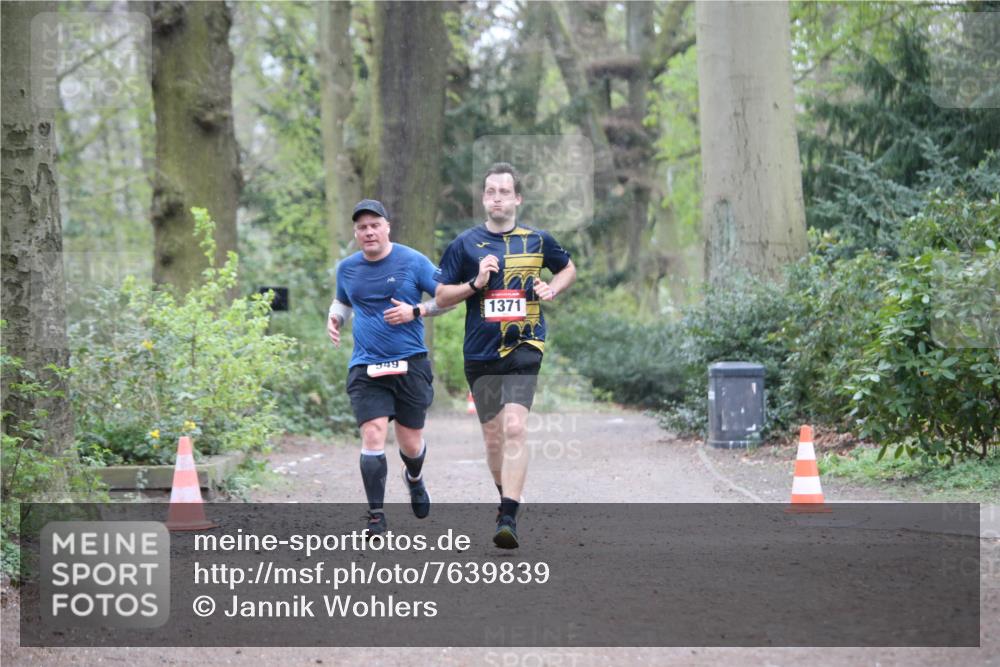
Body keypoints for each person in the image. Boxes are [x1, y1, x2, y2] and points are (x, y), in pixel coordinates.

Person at [435, 162, 577, 548]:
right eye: (490, 191)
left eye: (504, 191)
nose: (497, 197)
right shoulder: (464, 244)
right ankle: (505, 497)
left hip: (525, 343)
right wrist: (475, 282)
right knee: (493, 439)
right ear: (484, 199)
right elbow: (441, 297)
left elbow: (568, 269)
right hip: (480, 352)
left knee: (515, 427)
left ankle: (509, 516)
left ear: (517, 198)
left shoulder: (538, 240)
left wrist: (552, 289)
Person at [327, 199, 449, 536]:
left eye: (374, 225)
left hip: (410, 364)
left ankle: (414, 477)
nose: (368, 232)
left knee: (410, 443)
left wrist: (417, 311)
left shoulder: (413, 261)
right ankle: (377, 516)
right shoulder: (347, 268)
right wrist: (335, 317)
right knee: (373, 433)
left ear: (387, 227)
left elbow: (447, 297)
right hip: (367, 366)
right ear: (356, 232)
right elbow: (343, 300)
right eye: (362, 227)